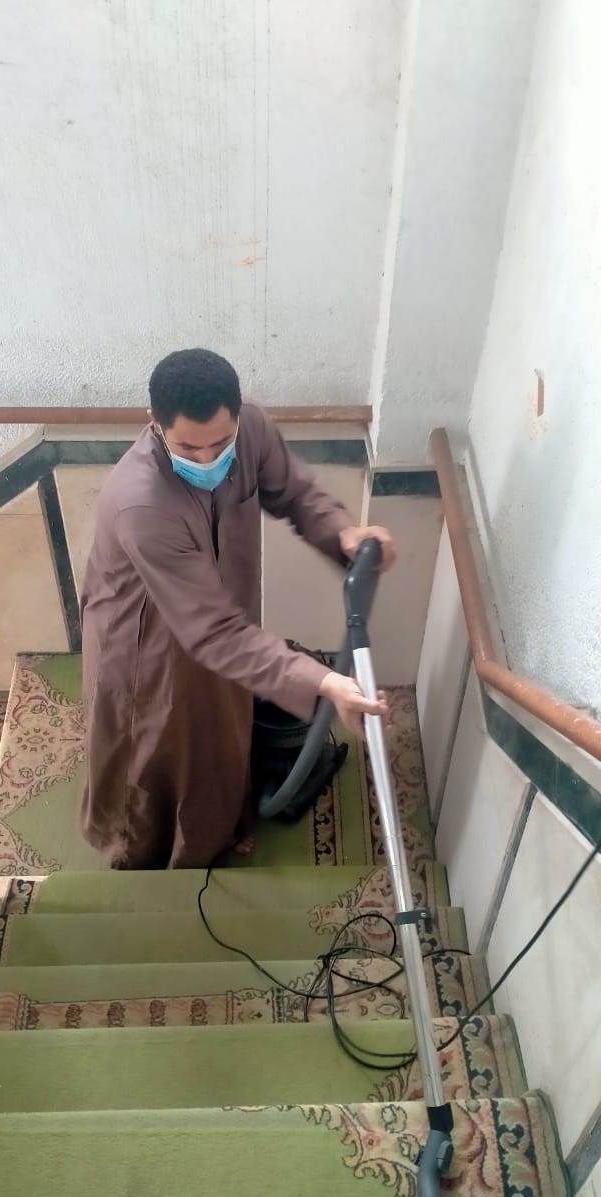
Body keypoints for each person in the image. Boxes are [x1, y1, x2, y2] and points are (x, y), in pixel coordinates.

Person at [80, 348, 396, 870]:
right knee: (156, 753)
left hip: (225, 620)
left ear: (236, 415)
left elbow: (295, 493)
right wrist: (325, 683)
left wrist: (343, 533)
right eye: (189, 448)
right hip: (147, 644)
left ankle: (220, 826)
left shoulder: (249, 429)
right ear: (155, 424)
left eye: (220, 444)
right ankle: (150, 857)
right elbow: (211, 632)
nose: (208, 460)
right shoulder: (140, 503)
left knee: (223, 731)